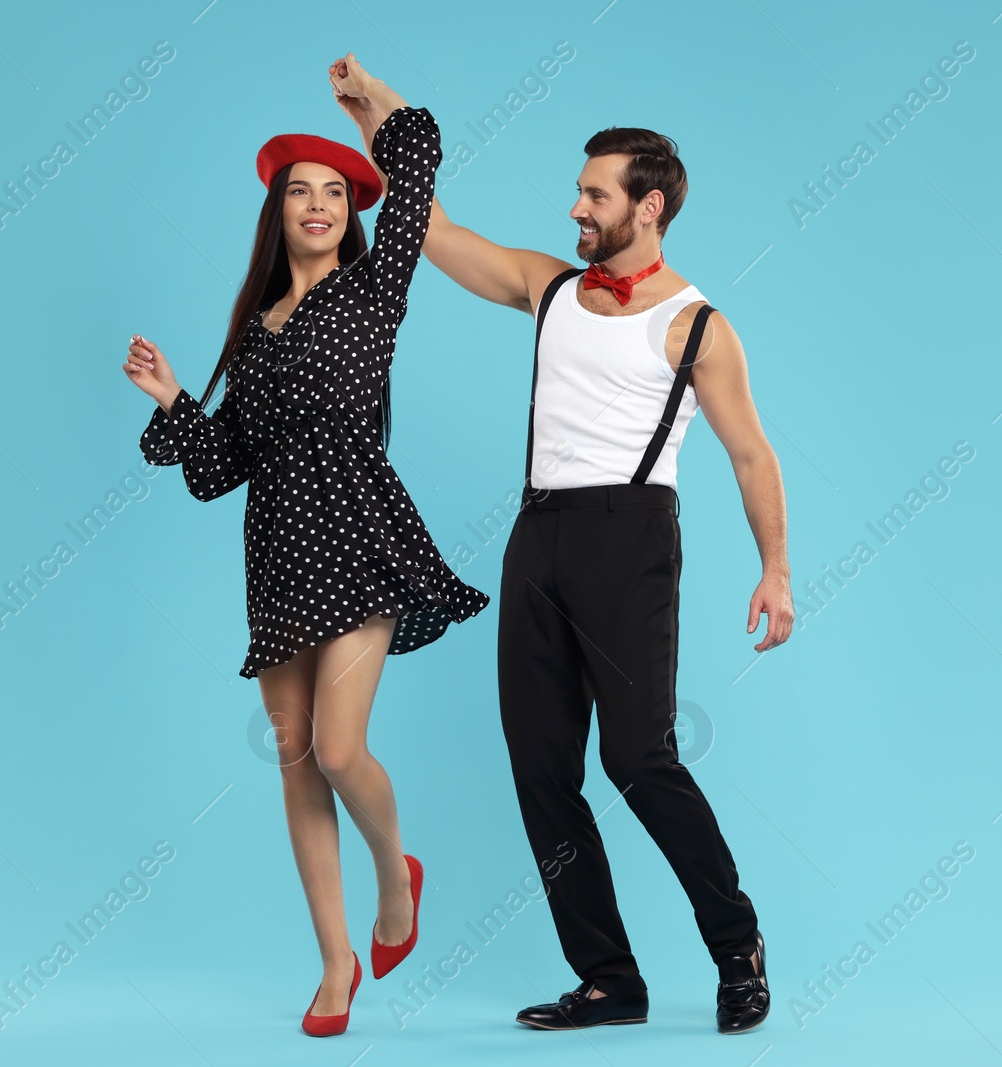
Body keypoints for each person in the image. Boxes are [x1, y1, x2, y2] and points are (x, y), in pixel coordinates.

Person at [332, 54, 794, 1034]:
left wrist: (776, 569)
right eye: (579, 191)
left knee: (639, 757)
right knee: (540, 767)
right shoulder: (548, 290)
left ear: (650, 205)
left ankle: (736, 943)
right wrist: (384, 112)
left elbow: (752, 455)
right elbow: (438, 231)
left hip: (629, 539)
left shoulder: (695, 324)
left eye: (594, 193)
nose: (576, 207)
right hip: (536, 535)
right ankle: (608, 977)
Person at [122, 60, 488, 1037]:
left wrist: (368, 95)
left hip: (359, 539)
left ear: (348, 211)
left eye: (333, 191)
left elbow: (414, 159)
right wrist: (172, 400)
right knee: (291, 756)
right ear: (277, 211)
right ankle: (334, 963)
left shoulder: (374, 290)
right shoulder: (256, 332)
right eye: (301, 191)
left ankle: (395, 876)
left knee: (338, 746)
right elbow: (221, 465)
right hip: (276, 552)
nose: (318, 204)